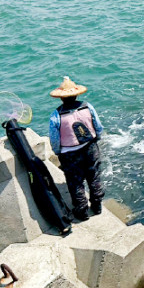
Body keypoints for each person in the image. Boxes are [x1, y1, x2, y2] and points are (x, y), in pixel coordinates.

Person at [48, 76, 105, 221]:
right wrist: (96, 139)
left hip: (69, 153)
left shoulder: (56, 115)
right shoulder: (87, 106)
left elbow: (55, 140)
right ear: (76, 94)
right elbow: (98, 126)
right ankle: (97, 205)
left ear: (61, 98)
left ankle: (82, 211)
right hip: (90, 147)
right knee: (94, 176)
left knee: (76, 182)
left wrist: (57, 151)